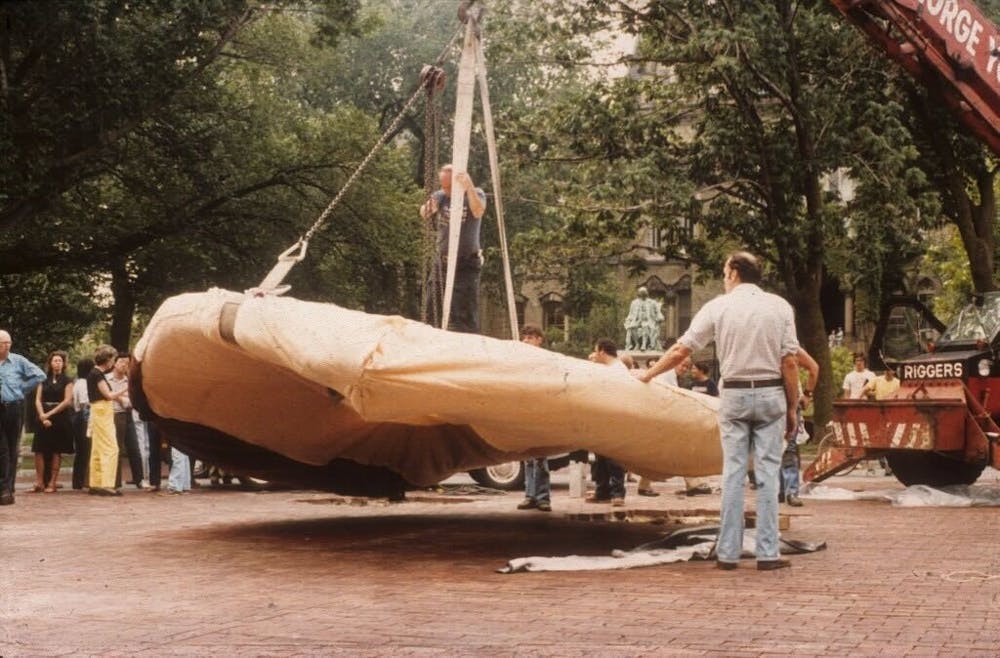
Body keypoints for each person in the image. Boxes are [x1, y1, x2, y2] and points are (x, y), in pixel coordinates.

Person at [640, 251, 799, 571]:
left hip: (735, 394)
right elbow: (790, 362)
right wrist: (793, 405)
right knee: (768, 475)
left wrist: (648, 374)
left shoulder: (718, 307)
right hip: (770, 392)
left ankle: (728, 552)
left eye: (725, 271)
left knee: (734, 473)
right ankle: (768, 554)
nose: (724, 278)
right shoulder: (780, 306)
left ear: (734, 273)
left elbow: (681, 349)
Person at [419, 164, 487, 333]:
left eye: (448, 186)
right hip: (442, 262)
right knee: (431, 308)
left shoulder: (475, 193)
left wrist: (468, 186)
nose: (446, 190)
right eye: (443, 186)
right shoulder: (441, 196)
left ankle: (467, 350)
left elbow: (478, 211)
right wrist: (429, 207)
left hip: (466, 263)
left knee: (463, 314)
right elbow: (423, 213)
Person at [0, 330, 46, 505]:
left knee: (12, 448)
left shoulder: (18, 361)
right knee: (2, 449)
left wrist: (22, 389)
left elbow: (40, 375)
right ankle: (3, 488)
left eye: (8, 342)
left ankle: (7, 489)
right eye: (3, 342)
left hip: (14, 407)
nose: (7, 345)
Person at [586, 339, 630, 507]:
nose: (595, 354)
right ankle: (602, 490)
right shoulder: (607, 368)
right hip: (603, 417)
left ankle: (618, 493)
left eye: (596, 351)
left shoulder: (618, 369)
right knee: (600, 459)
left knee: (614, 458)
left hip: (615, 418)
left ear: (602, 351)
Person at [516, 325, 554, 512]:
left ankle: (542, 497)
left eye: (531, 337)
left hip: (540, 412)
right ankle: (530, 495)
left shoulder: (546, 359)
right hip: (525, 412)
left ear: (539, 339)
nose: (526, 340)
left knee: (539, 457)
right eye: (525, 337)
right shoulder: (520, 360)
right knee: (528, 457)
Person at [32, 350, 75, 493]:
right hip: (43, 414)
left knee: (56, 450)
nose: (57, 363)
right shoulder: (42, 379)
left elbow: (67, 401)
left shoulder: (68, 380)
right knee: (39, 449)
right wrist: (42, 415)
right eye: (55, 360)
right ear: (50, 363)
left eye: (60, 361)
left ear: (64, 364)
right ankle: (39, 482)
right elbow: (38, 399)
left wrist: (50, 414)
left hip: (59, 416)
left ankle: (52, 482)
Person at [781, 349, 820, 507]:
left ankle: (786, 490)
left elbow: (813, 368)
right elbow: (813, 368)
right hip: (787, 401)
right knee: (787, 448)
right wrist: (807, 394)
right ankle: (787, 491)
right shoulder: (789, 347)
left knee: (777, 448)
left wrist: (807, 394)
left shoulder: (789, 348)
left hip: (778, 400)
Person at [87, 345, 127, 496]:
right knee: (111, 448)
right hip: (103, 410)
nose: (113, 362)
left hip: (98, 410)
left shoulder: (94, 373)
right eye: (112, 359)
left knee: (98, 447)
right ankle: (107, 483)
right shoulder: (97, 374)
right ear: (108, 359)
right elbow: (109, 395)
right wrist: (126, 389)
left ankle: (95, 482)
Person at [109, 353, 145, 489]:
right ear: (114, 363)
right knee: (115, 448)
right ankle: (115, 481)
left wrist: (118, 396)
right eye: (121, 362)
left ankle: (139, 479)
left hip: (128, 415)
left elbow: (131, 400)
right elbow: (109, 396)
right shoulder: (107, 379)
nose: (124, 365)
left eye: (126, 363)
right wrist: (122, 397)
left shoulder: (129, 380)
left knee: (134, 448)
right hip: (114, 414)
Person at [71, 357, 94, 490]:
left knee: (80, 451)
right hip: (84, 417)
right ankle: (84, 480)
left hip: (77, 416)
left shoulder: (77, 382)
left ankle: (77, 481)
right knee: (86, 450)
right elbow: (85, 402)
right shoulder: (85, 383)